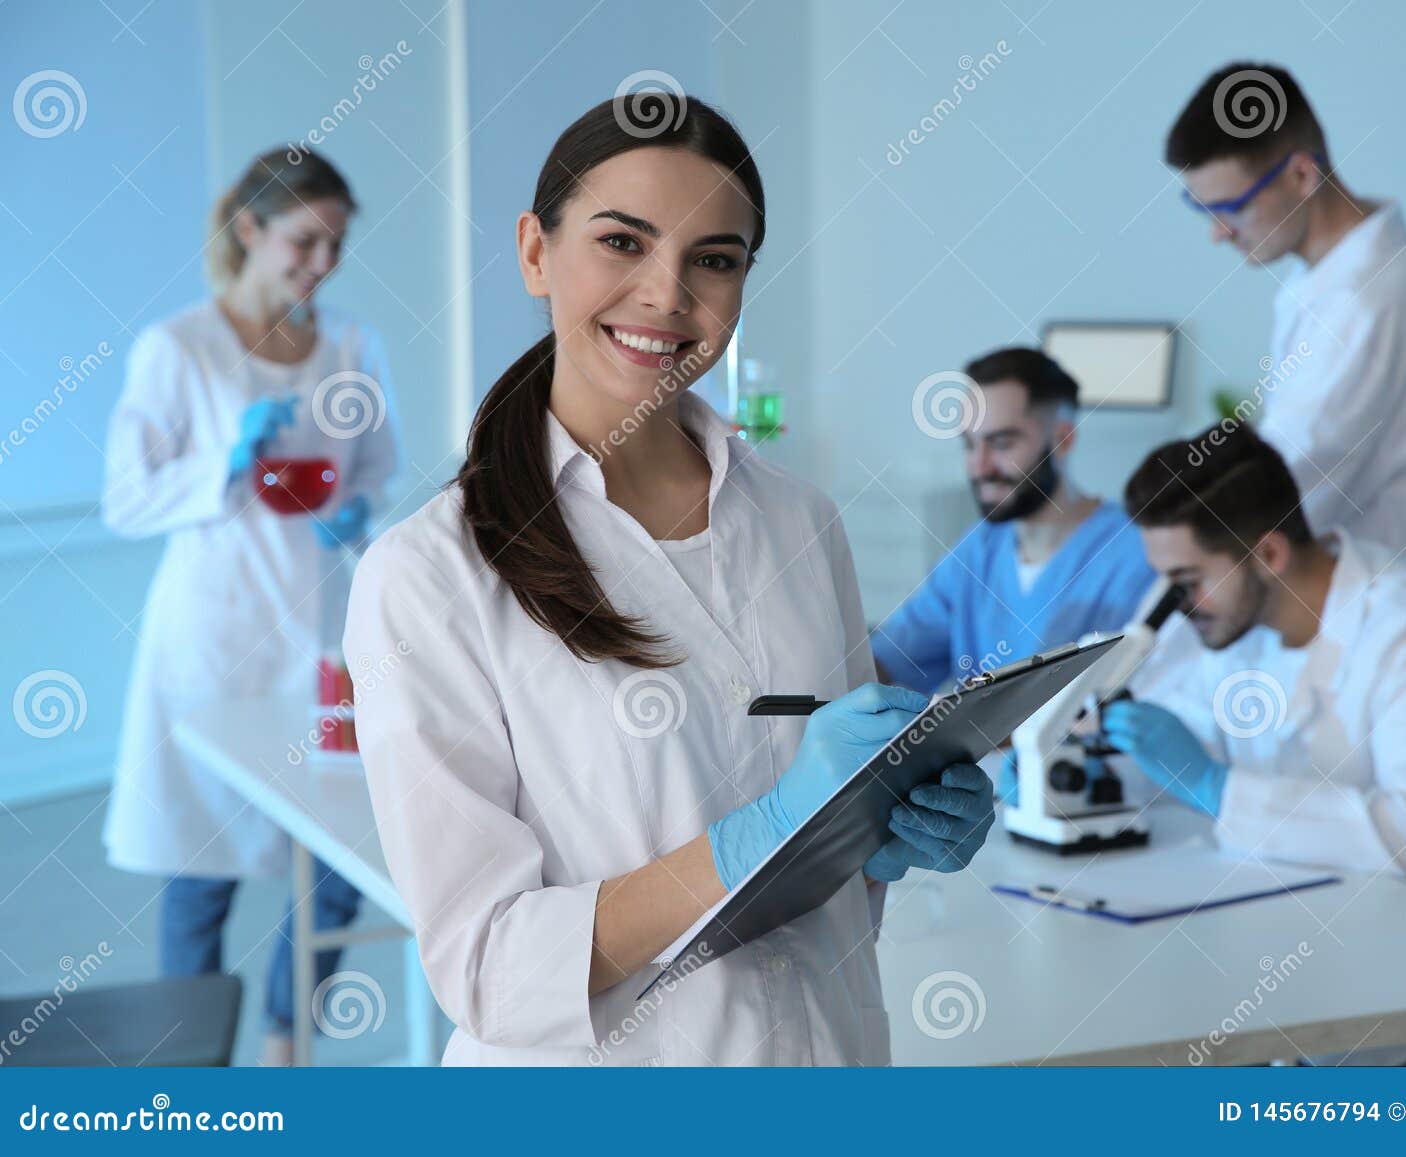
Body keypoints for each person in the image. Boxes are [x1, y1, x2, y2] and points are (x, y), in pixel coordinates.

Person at [343, 94, 994, 1067]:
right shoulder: (428, 576)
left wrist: (885, 823)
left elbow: (841, 828)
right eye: (621, 242)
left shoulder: (800, 521)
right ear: (534, 251)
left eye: (713, 259)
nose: (665, 294)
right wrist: (752, 841)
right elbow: (484, 965)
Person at [1111, 423, 1406, 1065]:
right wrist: (1101, 767)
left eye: (1188, 579)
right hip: (1342, 956)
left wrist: (1216, 788)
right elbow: (1183, 739)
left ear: (1269, 554)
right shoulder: (1240, 626)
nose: (1179, 605)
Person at [101, 147, 399, 1066]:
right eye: (305, 239)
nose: (322, 261)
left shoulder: (351, 345)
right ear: (250, 230)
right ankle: (186, 1069)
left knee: (343, 856)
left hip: (319, 626)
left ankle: (285, 1042)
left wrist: (360, 504)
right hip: (212, 636)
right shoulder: (179, 347)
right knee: (204, 868)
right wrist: (221, 465)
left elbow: (378, 463)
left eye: (336, 245)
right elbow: (124, 498)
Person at [1165, 63, 1406, 602]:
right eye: (1202, 209)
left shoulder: (1368, 301)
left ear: (1302, 175)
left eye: (1230, 208)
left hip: (1388, 623)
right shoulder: (1335, 279)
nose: (1218, 234)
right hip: (1368, 613)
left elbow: (1287, 494)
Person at [872, 347, 1154, 694]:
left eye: (1001, 443)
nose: (980, 467)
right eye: (969, 445)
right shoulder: (977, 550)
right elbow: (894, 659)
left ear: (1063, 440)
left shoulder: (1137, 552)